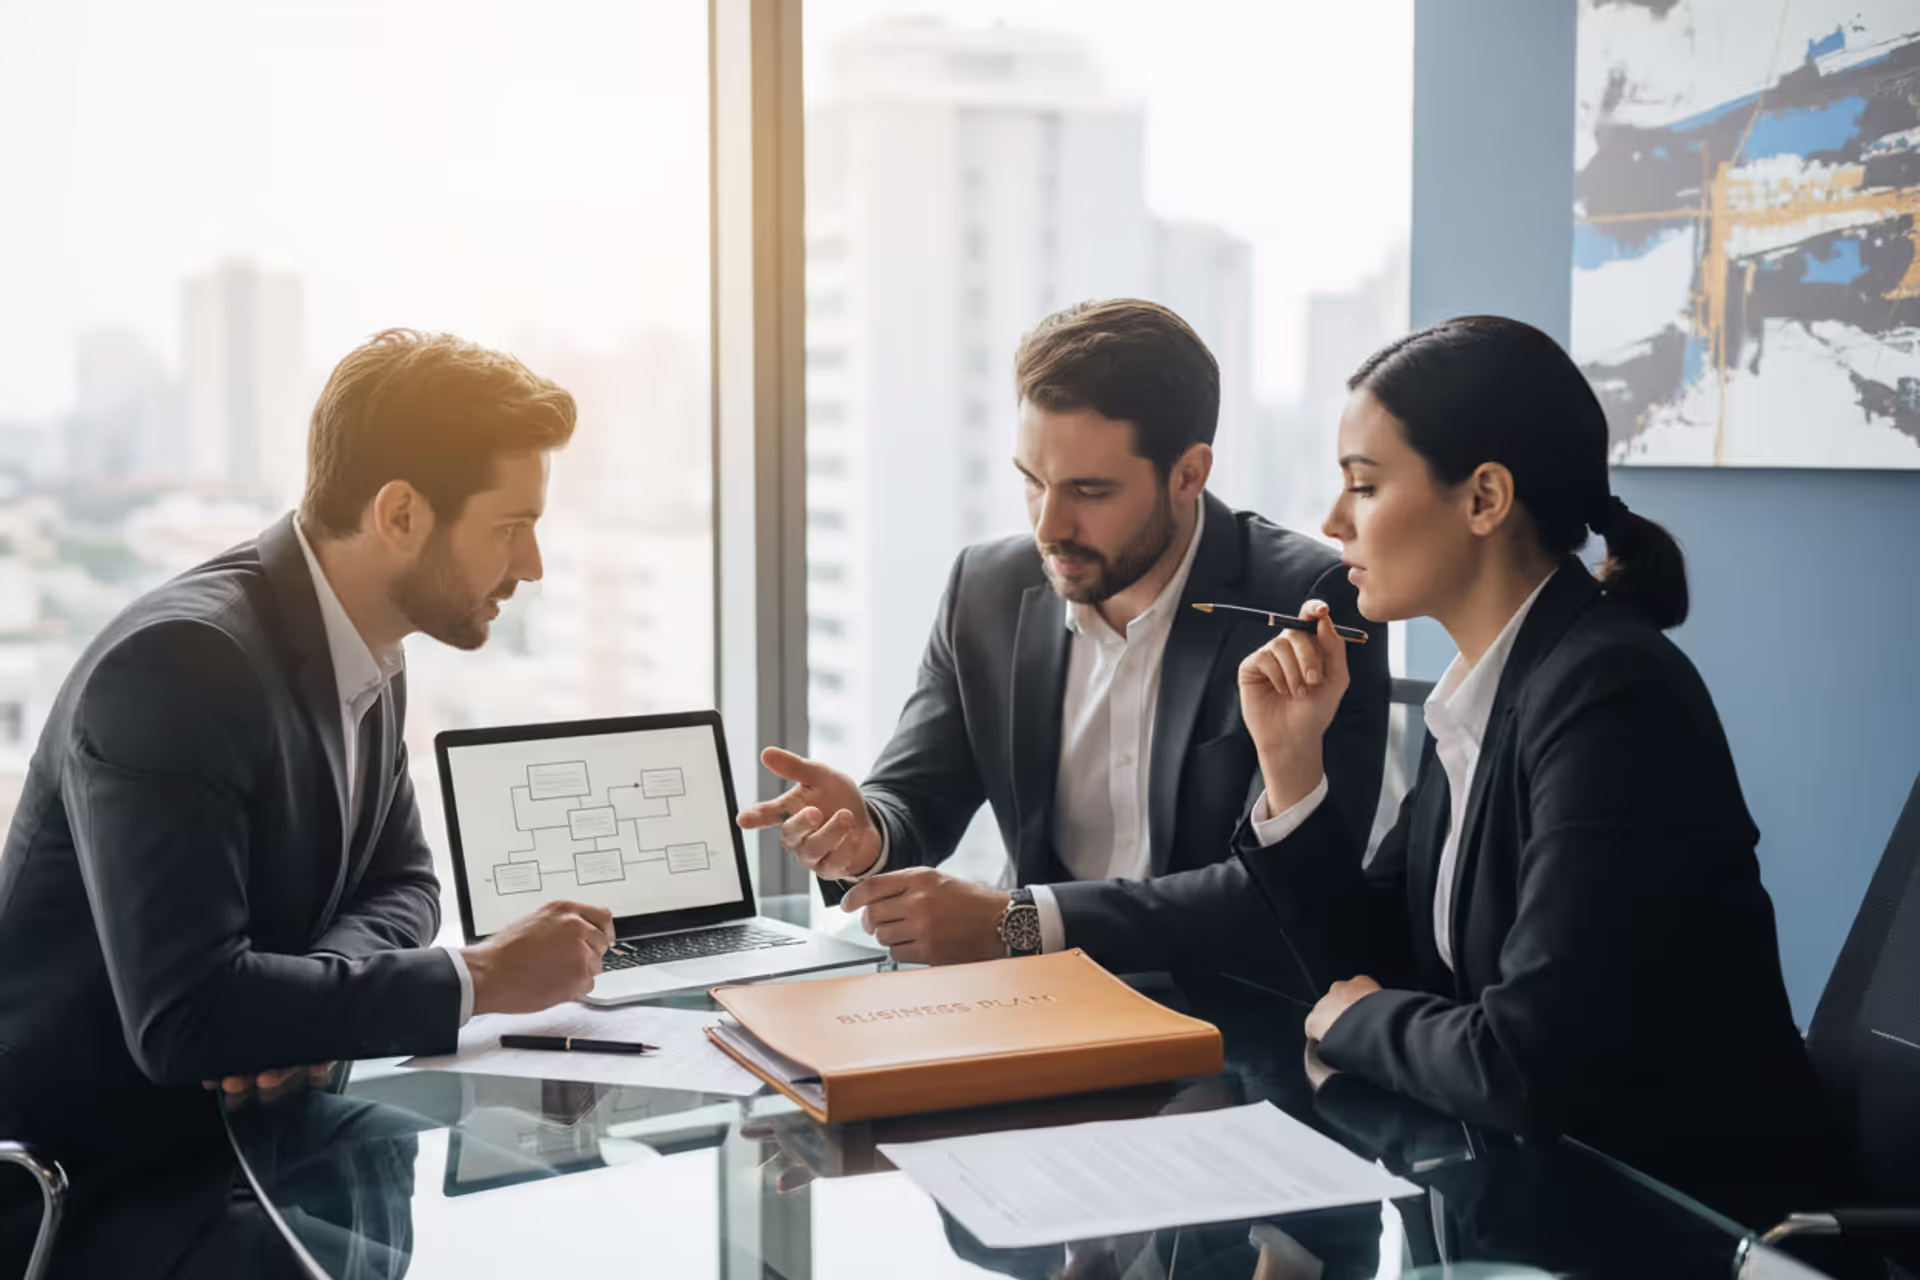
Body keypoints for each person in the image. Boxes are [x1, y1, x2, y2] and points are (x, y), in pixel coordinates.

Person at [0, 329, 618, 1276]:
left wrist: (305, 1005)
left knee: (551, 1192)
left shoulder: (371, 642)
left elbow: (404, 880)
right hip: (111, 1177)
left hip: (266, 1127)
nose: (531, 565)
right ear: (401, 513)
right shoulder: (179, 666)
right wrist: (481, 978)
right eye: (509, 526)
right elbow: (187, 1017)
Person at [1233, 315, 1849, 1224]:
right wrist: (1291, 767)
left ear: (1484, 498)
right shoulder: (1490, 692)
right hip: (1536, 1203)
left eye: (1363, 486)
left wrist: (1360, 1022)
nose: (1332, 524)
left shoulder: (1611, 694)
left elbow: (1525, 1063)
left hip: (1692, 1229)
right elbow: (1362, 967)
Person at [738, 299, 1389, 978]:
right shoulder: (984, 589)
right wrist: (865, 836)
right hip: (1032, 1003)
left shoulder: (1306, 601)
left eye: (1089, 490)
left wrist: (1018, 922)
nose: (1049, 526)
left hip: (1231, 1021)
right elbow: (919, 795)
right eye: (1032, 482)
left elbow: (1293, 889)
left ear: (1189, 474)